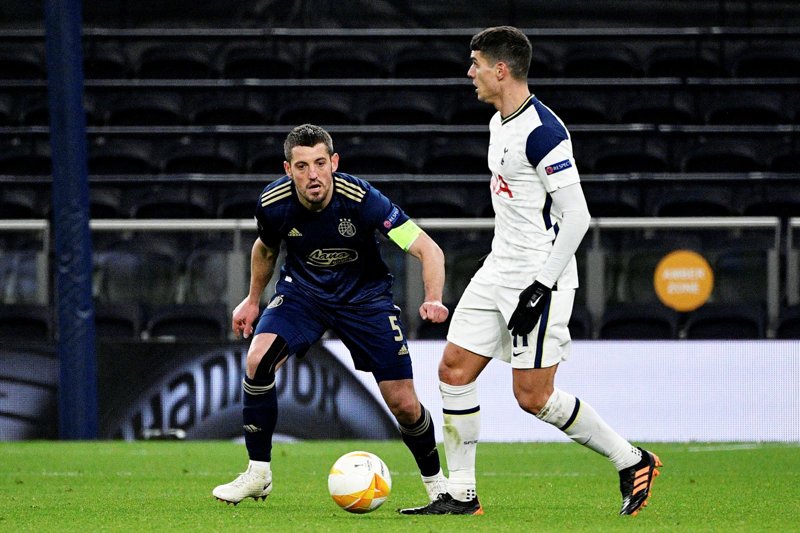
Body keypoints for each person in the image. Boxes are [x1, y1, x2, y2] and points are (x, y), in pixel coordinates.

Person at [399, 26, 662, 517]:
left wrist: (540, 286)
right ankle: (461, 493)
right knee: (453, 368)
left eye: (476, 63)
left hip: (539, 277)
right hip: (497, 268)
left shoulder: (543, 132)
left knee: (533, 396)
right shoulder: (498, 122)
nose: (470, 72)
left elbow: (578, 217)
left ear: (501, 70)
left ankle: (631, 459)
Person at [212, 123, 450, 505]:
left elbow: (427, 248)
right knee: (257, 360)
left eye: (320, 163)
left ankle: (438, 488)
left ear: (334, 163)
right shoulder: (273, 204)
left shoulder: (362, 199)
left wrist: (433, 297)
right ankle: (258, 472)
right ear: (288, 170)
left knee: (405, 405)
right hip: (304, 296)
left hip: (366, 300)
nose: (313, 175)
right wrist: (253, 299)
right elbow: (265, 249)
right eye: (302, 166)